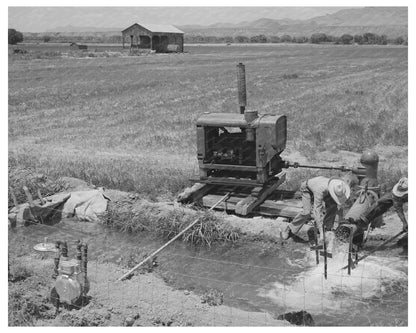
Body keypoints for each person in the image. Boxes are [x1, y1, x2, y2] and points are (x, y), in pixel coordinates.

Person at [282, 177, 351, 242]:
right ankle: (290, 228)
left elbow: (338, 208)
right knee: (307, 212)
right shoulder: (320, 190)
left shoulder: (336, 185)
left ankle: (327, 229)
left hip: (322, 190)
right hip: (307, 189)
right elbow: (317, 211)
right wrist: (321, 232)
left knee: (333, 206)